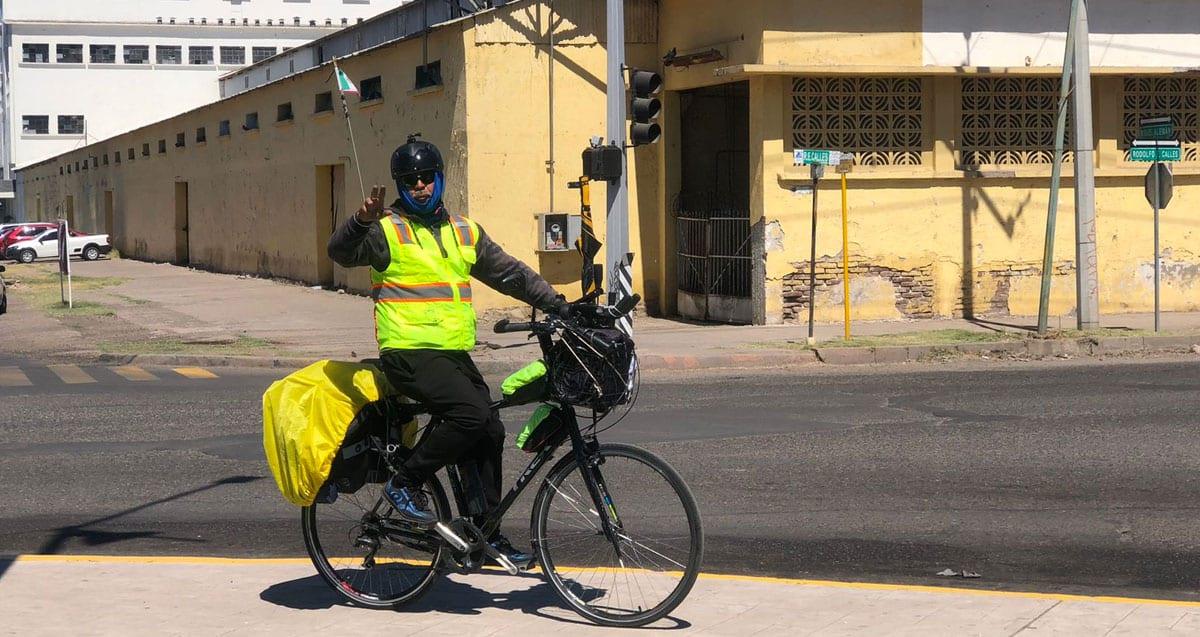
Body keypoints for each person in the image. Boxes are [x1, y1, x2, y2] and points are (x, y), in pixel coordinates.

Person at [327, 134, 564, 565]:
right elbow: (339, 253)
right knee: (470, 414)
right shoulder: (386, 230)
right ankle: (405, 482)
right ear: (401, 186)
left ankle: (482, 531)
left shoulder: (463, 231)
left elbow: (510, 274)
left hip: (451, 354)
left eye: (426, 178)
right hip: (407, 352)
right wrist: (360, 221)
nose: (419, 186)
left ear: (439, 179)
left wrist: (560, 305)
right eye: (410, 180)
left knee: (488, 428)